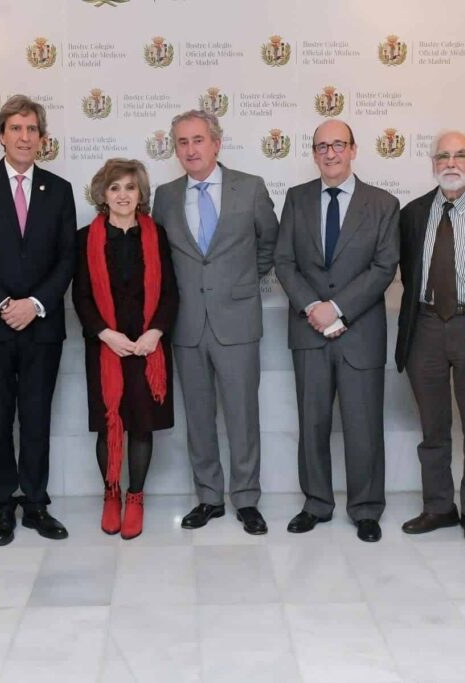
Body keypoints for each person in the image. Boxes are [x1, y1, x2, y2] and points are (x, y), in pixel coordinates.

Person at [0, 95, 77, 546]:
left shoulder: (59, 189)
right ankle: (3, 504)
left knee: (37, 415)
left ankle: (37, 503)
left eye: (32, 130)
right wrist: (3, 302)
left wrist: (36, 304)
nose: (25, 137)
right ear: (1, 135)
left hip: (42, 326)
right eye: (16, 129)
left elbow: (67, 257)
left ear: (43, 139)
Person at [151, 110, 278, 535]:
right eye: (182, 142)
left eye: (198, 140)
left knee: (243, 415)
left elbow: (269, 244)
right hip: (186, 324)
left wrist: (239, 283)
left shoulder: (251, 188)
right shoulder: (166, 196)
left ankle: (246, 499)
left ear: (216, 143)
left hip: (237, 320)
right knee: (199, 417)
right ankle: (208, 496)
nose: (190, 149)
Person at [273, 120, 399, 542]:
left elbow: (384, 267)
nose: (330, 153)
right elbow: (285, 261)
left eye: (338, 145)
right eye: (321, 146)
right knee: (312, 423)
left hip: (360, 332)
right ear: (313, 153)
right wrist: (313, 306)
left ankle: (365, 509)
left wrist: (338, 309)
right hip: (308, 330)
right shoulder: (296, 198)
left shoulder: (382, 203)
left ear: (353, 149)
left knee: (364, 426)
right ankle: (316, 503)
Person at [395, 130, 465, 546]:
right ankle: (439, 506)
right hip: (424, 326)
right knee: (433, 429)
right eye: (443, 155)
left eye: (461, 155)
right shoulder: (413, 213)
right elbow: (408, 273)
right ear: (432, 163)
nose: (451, 162)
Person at [73, 159, 178, 540]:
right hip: (106, 348)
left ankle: (136, 497)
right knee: (108, 423)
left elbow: (169, 292)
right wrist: (104, 334)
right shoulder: (85, 237)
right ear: (103, 194)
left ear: (140, 194)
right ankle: (111, 494)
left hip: (148, 346)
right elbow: (81, 296)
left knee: (142, 424)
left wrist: (155, 333)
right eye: (115, 187)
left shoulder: (156, 234)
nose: (122, 194)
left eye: (130, 188)